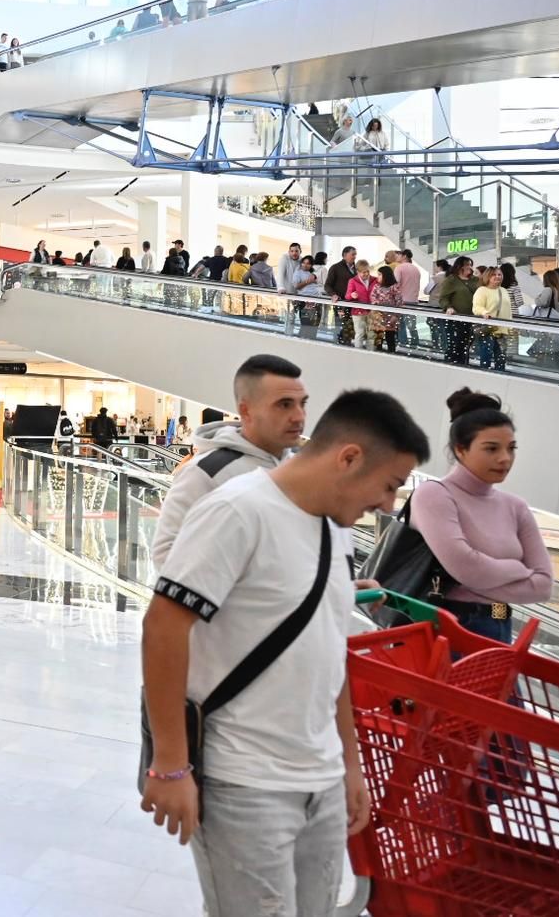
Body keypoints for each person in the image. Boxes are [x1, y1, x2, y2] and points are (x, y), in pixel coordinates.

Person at [142, 389, 429, 916]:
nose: (388, 505)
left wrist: (350, 766)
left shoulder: (334, 529)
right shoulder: (237, 510)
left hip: (318, 778)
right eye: (389, 486)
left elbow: (330, 653)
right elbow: (163, 627)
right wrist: (170, 766)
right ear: (348, 458)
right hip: (243, 783)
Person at [410, 390, 552, 644]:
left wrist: (476, 578)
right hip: (448, 626)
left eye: (511, 448)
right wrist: (517, 569)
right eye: (491, 449)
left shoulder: (516, 507)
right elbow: (467, 568)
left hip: (501, 623)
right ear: (461, 450)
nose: (505, 458)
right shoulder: (434, 495)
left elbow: (543, 585)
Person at [152, 355, 307, 571]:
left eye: (302, 404)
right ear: (246, 410)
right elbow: (166, 556)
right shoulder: (205, 472)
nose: (299, 416)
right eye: (284, 405)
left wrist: (333, 588)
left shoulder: (302, 470)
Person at [438, 256, 480, 365]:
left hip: (471, 319)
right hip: (455, 320)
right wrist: (448, 307)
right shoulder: (451, 280)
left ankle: (463, 365)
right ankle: (450, 365)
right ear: (459, 266)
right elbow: (443, 298)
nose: (469, 267)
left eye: (470, 265)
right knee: (454, 345)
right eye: (466, 265)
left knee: (466, 346)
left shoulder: (475, 280)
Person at [472, 265, 513, 371]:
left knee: (501, 360)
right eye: (494, 275)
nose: (497, 277)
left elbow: (508, 310)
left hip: (502, 332)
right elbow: (477, 307)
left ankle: (499, 379)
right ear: (488, 277)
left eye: (499, 274)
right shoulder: (482, 290)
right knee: (486, 359)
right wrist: (485, 312)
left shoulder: (503, 290)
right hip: (488, 330)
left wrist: (511, 326)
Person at [325, 246, 358, 346]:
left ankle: (347, 345)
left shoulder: (357, 269)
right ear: (344, 255)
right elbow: (327, 285)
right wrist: (333, 295)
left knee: (351, 327)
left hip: (354, 304)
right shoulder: (335, 268)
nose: (355, 256)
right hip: (341, 303)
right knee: (341, 325)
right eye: (353, 254)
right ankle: (339, 345)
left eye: (355, 254)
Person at [369, 265, 403, 353]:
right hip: (378, 316)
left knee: (390, 337)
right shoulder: (376, 286)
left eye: (380, 274)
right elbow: (372, 297)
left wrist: (396, 316)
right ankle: (378, 353)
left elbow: (399, 302)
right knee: (378, 337)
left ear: (386, 275)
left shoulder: (394, 287)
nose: (378, 276)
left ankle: (391, 354)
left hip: (390, 316)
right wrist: (376, 303)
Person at [291, 255, 324, 340]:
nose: (305, 265)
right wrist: (307, 281)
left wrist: (314, 279)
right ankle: (303, 342)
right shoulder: (298, 273)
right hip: (305, 301)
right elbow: (296, 286)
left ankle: (312, 341)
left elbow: (320, 284)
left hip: (316, 300)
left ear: (311, 265)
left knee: (315, 325)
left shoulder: (313, 272)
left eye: (308, 263)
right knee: (306, 324)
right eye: (304, 263)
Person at [345, 259, 377, 350]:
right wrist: (352, 295)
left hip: (372, 311)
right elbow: (347, 296)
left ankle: (370, 353)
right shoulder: (352, 281)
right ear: (358, 272)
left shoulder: (374, 280)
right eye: (363, 272)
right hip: (358, 312)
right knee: (360, 333)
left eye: (367, 271)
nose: (366, 274)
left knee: (371, 334)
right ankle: (358, 353)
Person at [395, 249, 423, 347]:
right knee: (412, 326)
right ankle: (415, 343)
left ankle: (403, 344)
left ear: (404, 256)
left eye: (399, 255)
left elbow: (396, 284)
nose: (397, 257)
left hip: (402, 301)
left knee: (401, 325)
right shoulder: (416, 269)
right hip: (414, 300)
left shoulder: (399, 268)